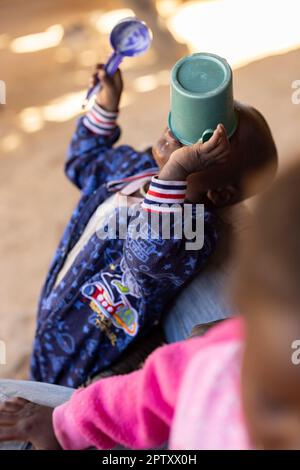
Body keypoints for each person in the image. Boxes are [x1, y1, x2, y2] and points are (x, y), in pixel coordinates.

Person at [2, 160, 300, 450]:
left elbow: (146, 257)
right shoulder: (223, 355)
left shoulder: (225, 354)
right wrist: (64, 425)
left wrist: (173, 177)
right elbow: (149, 390)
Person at [30, 62, 277, 387]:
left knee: (52, 393)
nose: (181, 131)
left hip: (94, 352)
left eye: (210, 140)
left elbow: (145, 256)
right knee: (37, 367)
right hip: (55, 305)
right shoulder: (137, 167)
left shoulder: (194, 231)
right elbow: (84, 163)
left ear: (219, 193)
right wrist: (107, 103)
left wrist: (175, 173)